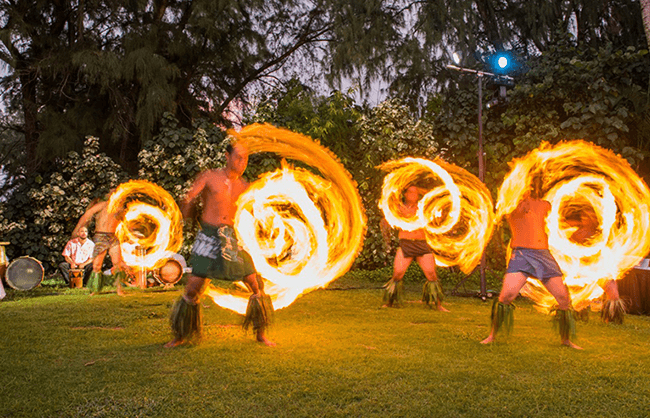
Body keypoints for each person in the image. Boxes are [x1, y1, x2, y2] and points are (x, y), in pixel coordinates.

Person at [165, 141, 275, 348]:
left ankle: (260, 334)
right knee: (192, 288)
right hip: (208, 236)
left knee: (255, 285)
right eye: (238, 157)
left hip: (231, 238)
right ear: (227, 156)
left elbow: (253, 212)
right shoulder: (210, 177)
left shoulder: (244, 186)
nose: (242, 162)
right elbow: (189, 198)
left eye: (245, 159)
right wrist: (183, 216)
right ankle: (180, 335)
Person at [481, 174, 582, 349]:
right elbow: (513, 211)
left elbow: (559, 223)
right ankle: (492, 335)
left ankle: (566, 340)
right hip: (521, 256)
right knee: (506, 296)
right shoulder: (511, 207)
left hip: (544, 256)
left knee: (563, 298)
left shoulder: (544, 205)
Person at [380, 185, 449, 312]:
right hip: (406, 244)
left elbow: (435, 218)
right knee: (397, 274)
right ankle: (389, 302)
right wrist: (386, 227)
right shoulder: (398, 208)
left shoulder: (423, 208)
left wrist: (438, 217)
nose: (413, 194)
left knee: (431, 274)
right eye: (410, 192)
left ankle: (438, 305)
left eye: (415, 193)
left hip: (422, 244)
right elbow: (386, 220)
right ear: (405, 194)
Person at [569, 208, 625, 324]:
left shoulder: (601, 233)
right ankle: (578, 313)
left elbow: (611, 247)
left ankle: (613, 315)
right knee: (578, 291)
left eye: (588, 217)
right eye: (583, 217)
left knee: (612, 290)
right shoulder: (577, 232)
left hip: (601, 266)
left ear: (595, 218)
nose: (585, 219)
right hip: (582, 267)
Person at [71, 191, 130, 296]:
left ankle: (119, 289)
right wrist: (76, 230)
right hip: (100, 237)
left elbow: (125, 224)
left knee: (117, 264)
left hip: (113, 237)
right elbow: (87, 215)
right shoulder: (102, 206)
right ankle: (96, 289)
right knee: (97, 266)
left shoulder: (119, 209)